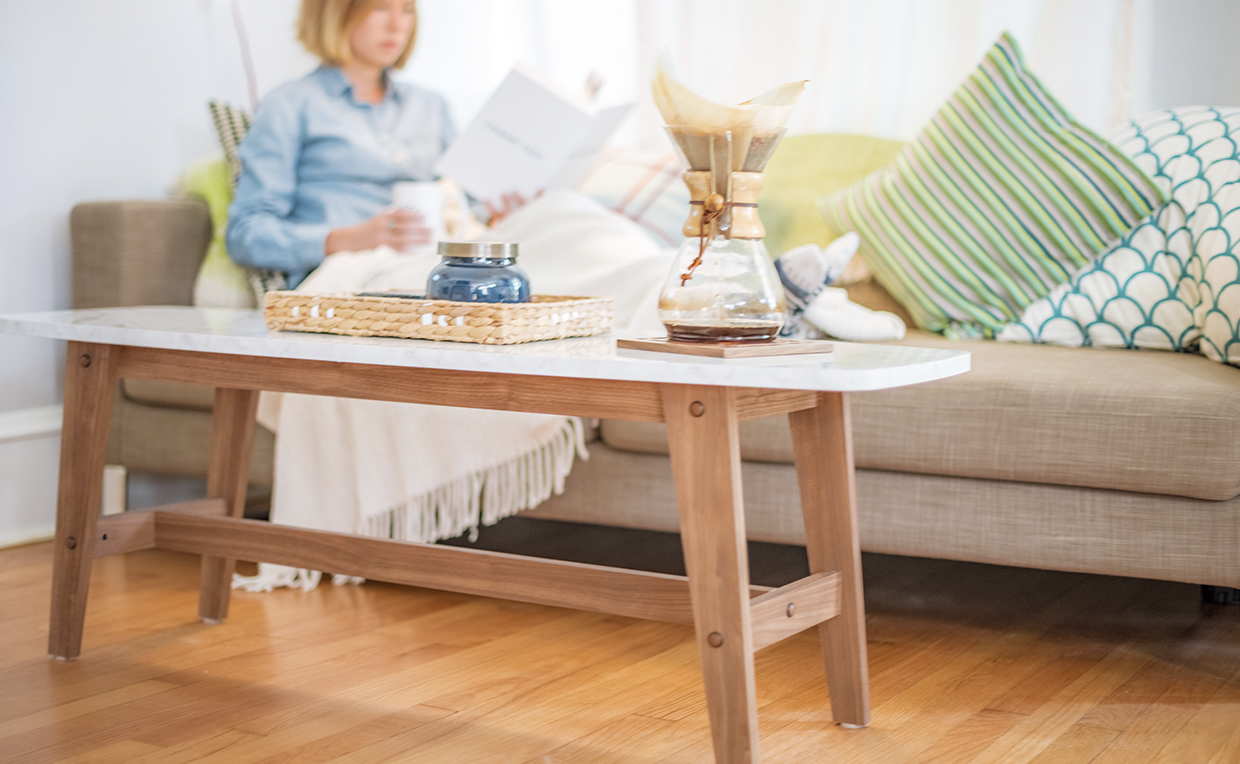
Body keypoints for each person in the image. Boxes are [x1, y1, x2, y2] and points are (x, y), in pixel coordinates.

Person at [226, 0, 449, 288]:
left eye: (407, 10)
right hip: (351, 271)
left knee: (517, 241)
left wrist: (497, 212)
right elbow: (246, 234)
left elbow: (462, 204)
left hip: (433, 258)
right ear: (336, 13)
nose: (397, 25)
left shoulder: (432, 106)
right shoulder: (290, 105)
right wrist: (348, 239)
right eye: (380, 8)